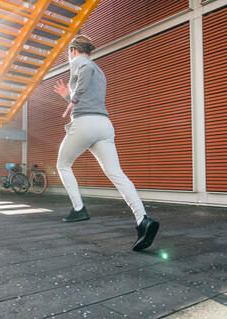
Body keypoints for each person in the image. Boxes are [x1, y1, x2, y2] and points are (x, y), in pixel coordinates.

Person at [53, 35, 159, 251]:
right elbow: (88, 95)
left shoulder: (80, 62)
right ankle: (142, 220)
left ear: (73, 49)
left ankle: (78, 208)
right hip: (103, 124)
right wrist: (68, 96)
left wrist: (72, 100)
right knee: (116, 173)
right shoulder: (99, 71)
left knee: (62, 165)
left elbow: (83, 73)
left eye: (69, 52)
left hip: (85, 124)